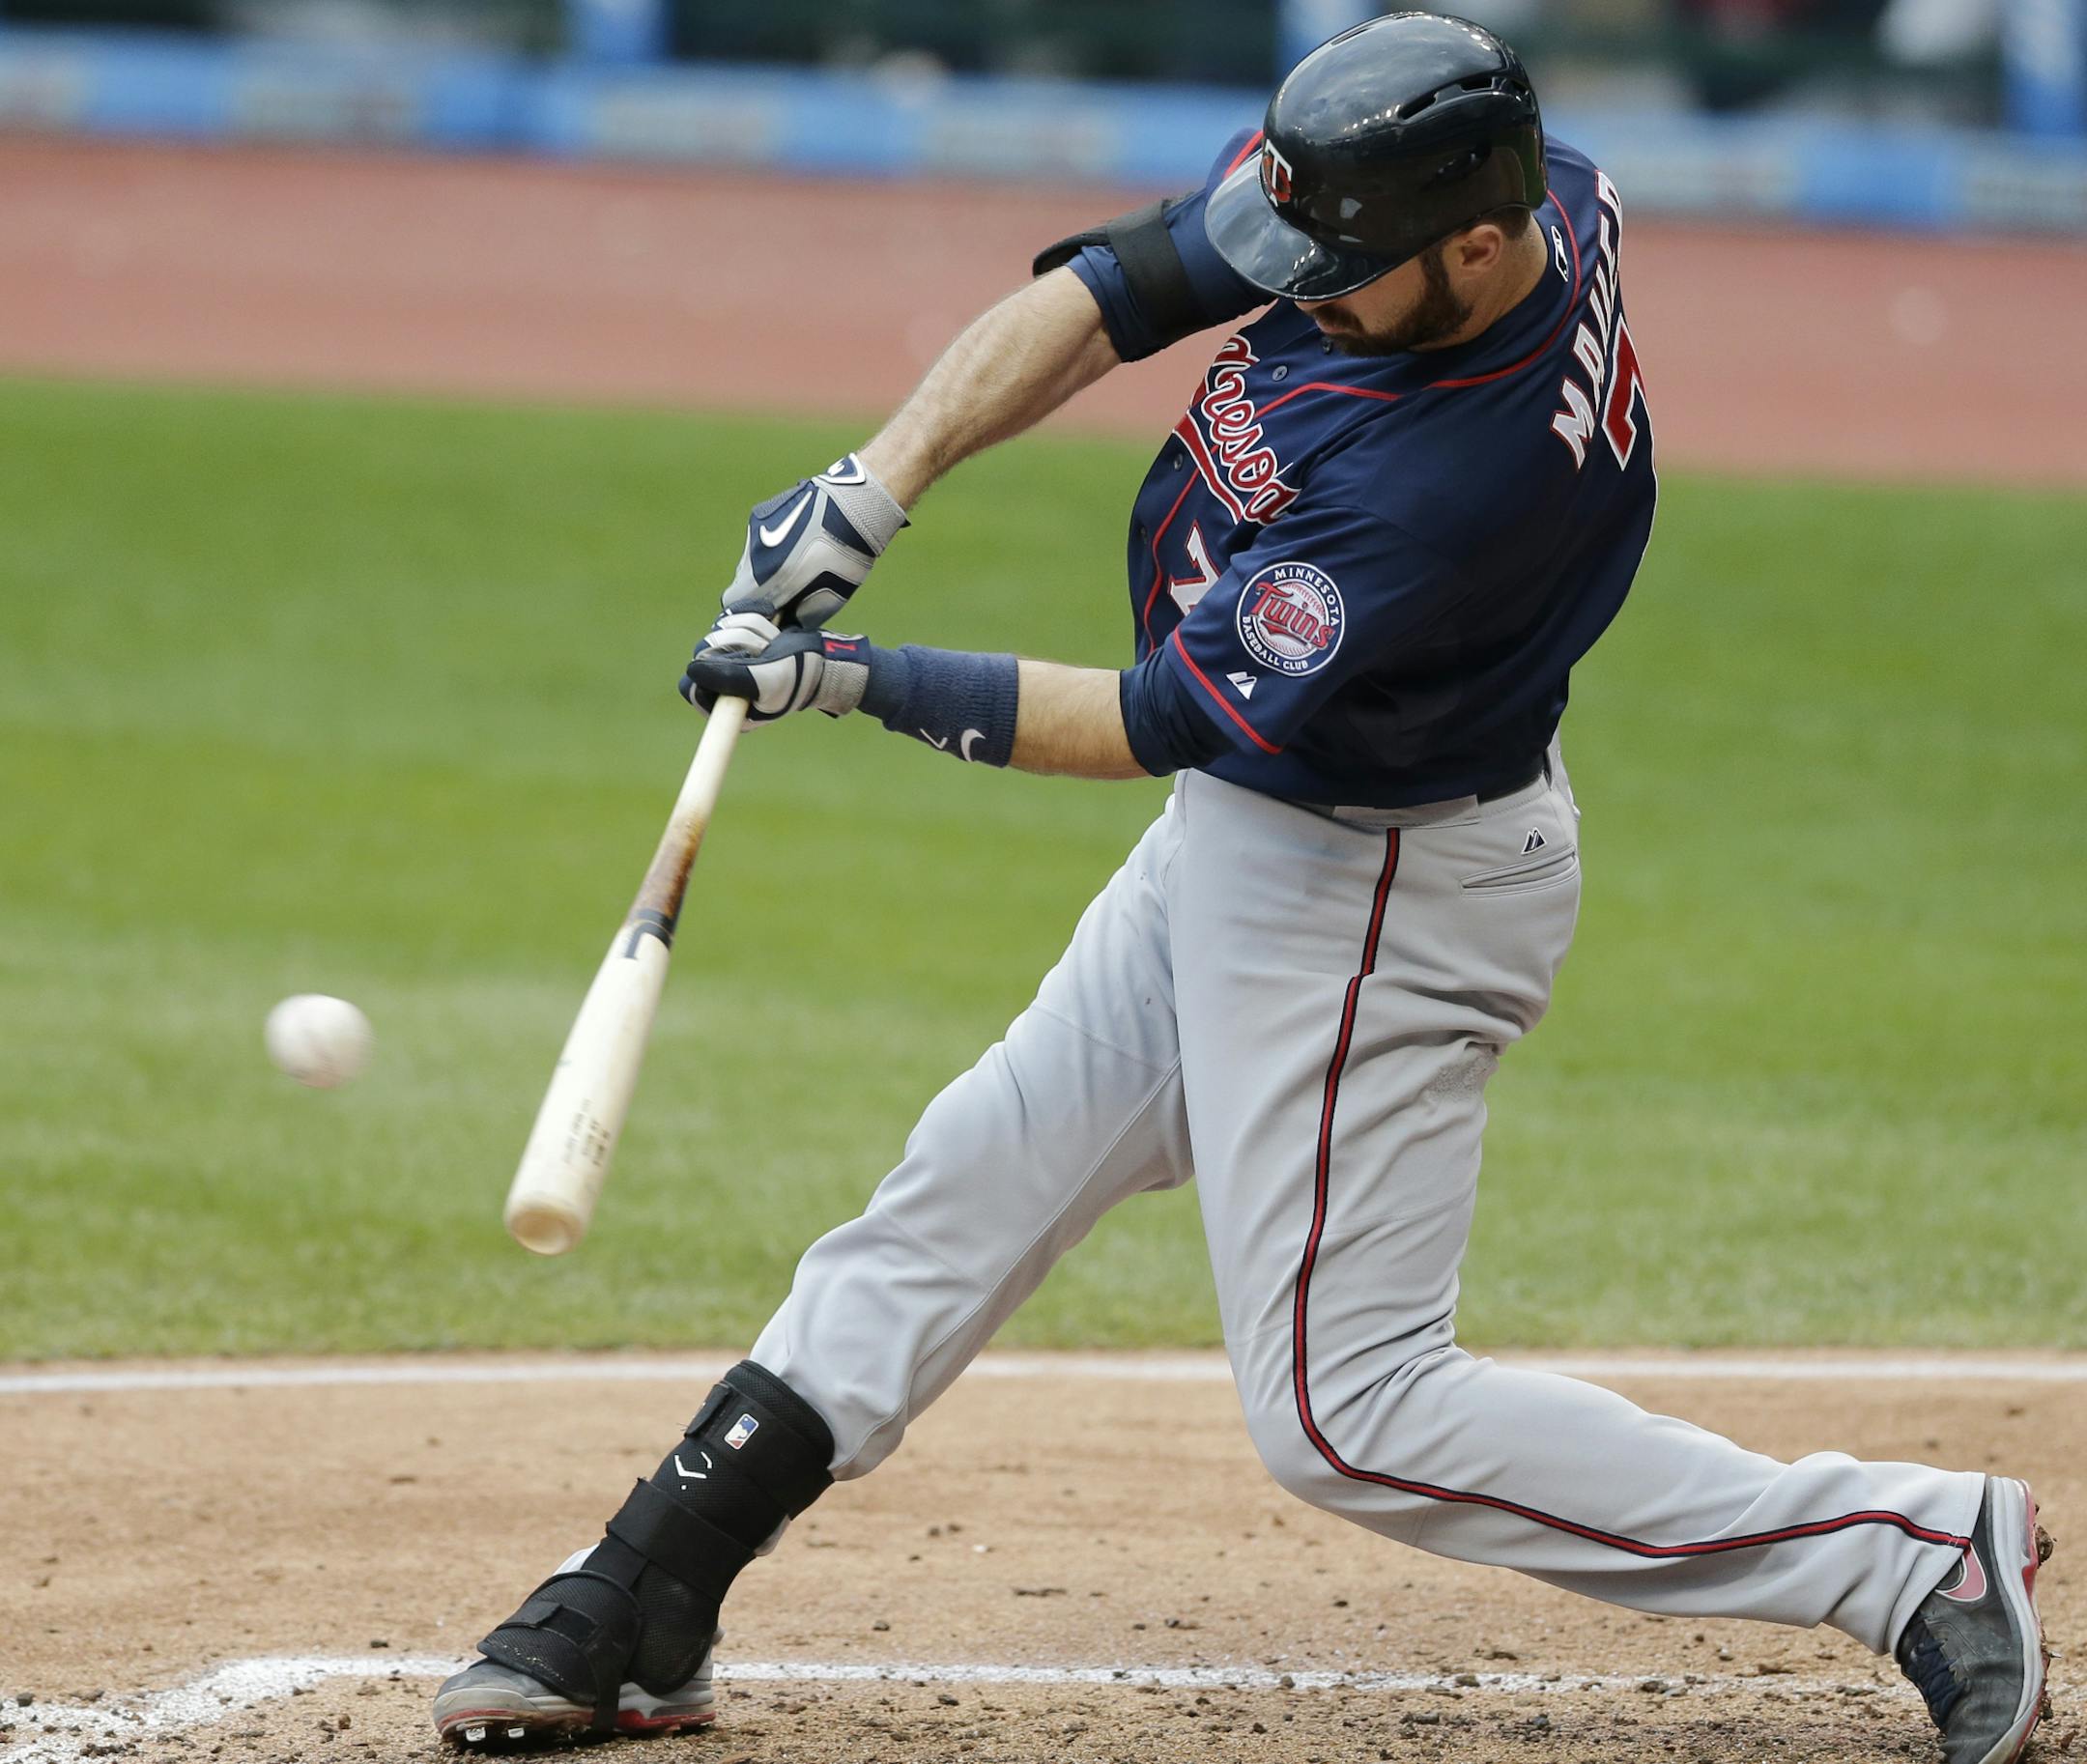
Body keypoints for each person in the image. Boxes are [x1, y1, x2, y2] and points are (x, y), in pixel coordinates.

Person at [432, 14, 2049, 1761]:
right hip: (1267, 826)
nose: (1301, 291)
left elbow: (1143, 724)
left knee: (1348, 1417)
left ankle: (1912, 1553)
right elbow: (1122, 287)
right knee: (975, 1173)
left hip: (1381, 894)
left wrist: (851, 679)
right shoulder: (1478, 192)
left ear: (1481, 247)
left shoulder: (1448, 495)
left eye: (1339, 279)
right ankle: (648, 1584)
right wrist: (868, 484)